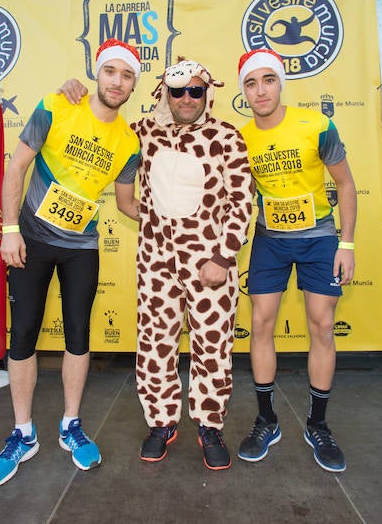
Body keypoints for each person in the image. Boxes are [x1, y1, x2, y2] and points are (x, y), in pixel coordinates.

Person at [59, 58, 253, 470]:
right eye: (178, 90)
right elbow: (100, 129)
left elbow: (241, 202)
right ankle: (161, 422)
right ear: (165, 92)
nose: (186, 98)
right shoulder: (142, 132)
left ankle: (209, 424)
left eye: (195, 91)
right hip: (156, 262)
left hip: (212, 265)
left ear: (208, 93)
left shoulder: (227, 137)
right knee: (154, 345)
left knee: (213, 348)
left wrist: (222, 256)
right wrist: (72, 96)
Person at [0, 39, 142, 488]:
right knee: (25, 332)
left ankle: (71, 425)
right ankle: (22, 433)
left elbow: (127, 204)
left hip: (82, 248)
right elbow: (16, 168)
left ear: (133, 86)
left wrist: (172, 222)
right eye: (110, 71)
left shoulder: (130, 142)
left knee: (77, 334)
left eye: (127, 75)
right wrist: (9, 229)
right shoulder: (56, 104)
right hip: (30, 238)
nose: (117, 81)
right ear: (97, 73)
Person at [235, 48, 356, 473]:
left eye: (268, 80)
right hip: (270, 239)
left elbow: (345, 184)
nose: (261, 89)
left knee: (322, 325)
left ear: (280, 82)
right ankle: (267, 420)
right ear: (244, 92)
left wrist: (348, 243)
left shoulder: (317, 124)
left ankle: (317, 424)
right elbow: (237, 196)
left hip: (319, 238)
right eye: (251, 83)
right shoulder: (241, 137)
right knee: (262, 323)